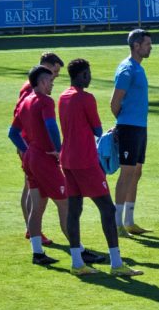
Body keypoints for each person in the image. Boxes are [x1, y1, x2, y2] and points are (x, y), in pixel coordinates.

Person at [58, 59, 140, 277]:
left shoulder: (63, 97)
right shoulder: (86, 98)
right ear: (82, 75)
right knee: (108, 208)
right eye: (88, 73)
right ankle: (116, 263)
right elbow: (97, 129)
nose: (90, 77)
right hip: (85, 160)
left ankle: (77, 263)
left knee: (74, 210)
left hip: (67, 160)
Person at [9, 66, 69, 266]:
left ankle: (38, 253)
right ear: (43, 82)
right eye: (51, 81)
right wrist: (59, 150)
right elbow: (51, 125)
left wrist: (27, 150)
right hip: (44, 159)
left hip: (30, 159)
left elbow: (13, 133)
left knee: (37, 207)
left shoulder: (24, 101)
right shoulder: (45, 101)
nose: (52, 84)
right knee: (65, 203)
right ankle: (79, 250)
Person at [111, 28, 152, 236]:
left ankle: (129, 220)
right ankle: (117, 223)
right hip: (129, 128)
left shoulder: (138, 68)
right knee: (126, 174)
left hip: (140, 128)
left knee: (136, 173)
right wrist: (122, 123)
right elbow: (115, 103)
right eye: (147, 44)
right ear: (136, 46)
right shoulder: (127, 69)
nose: (150, 47)